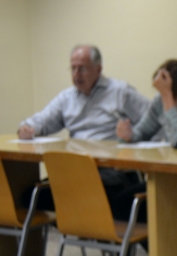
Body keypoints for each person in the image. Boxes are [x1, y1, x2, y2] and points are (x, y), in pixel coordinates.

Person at [18, 45, 151, 219]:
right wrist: (26, 129)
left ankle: (104, 233)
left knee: (112, 199)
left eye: (82, 69)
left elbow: (154, 120)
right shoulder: (66, 98)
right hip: (77, 171)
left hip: (113, 172)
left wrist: (133, 134)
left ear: (98, 69)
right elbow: (42, 120)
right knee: (29, 196)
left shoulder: (121, 92)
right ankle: (88, 228)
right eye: (73, 68)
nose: (76, 74)